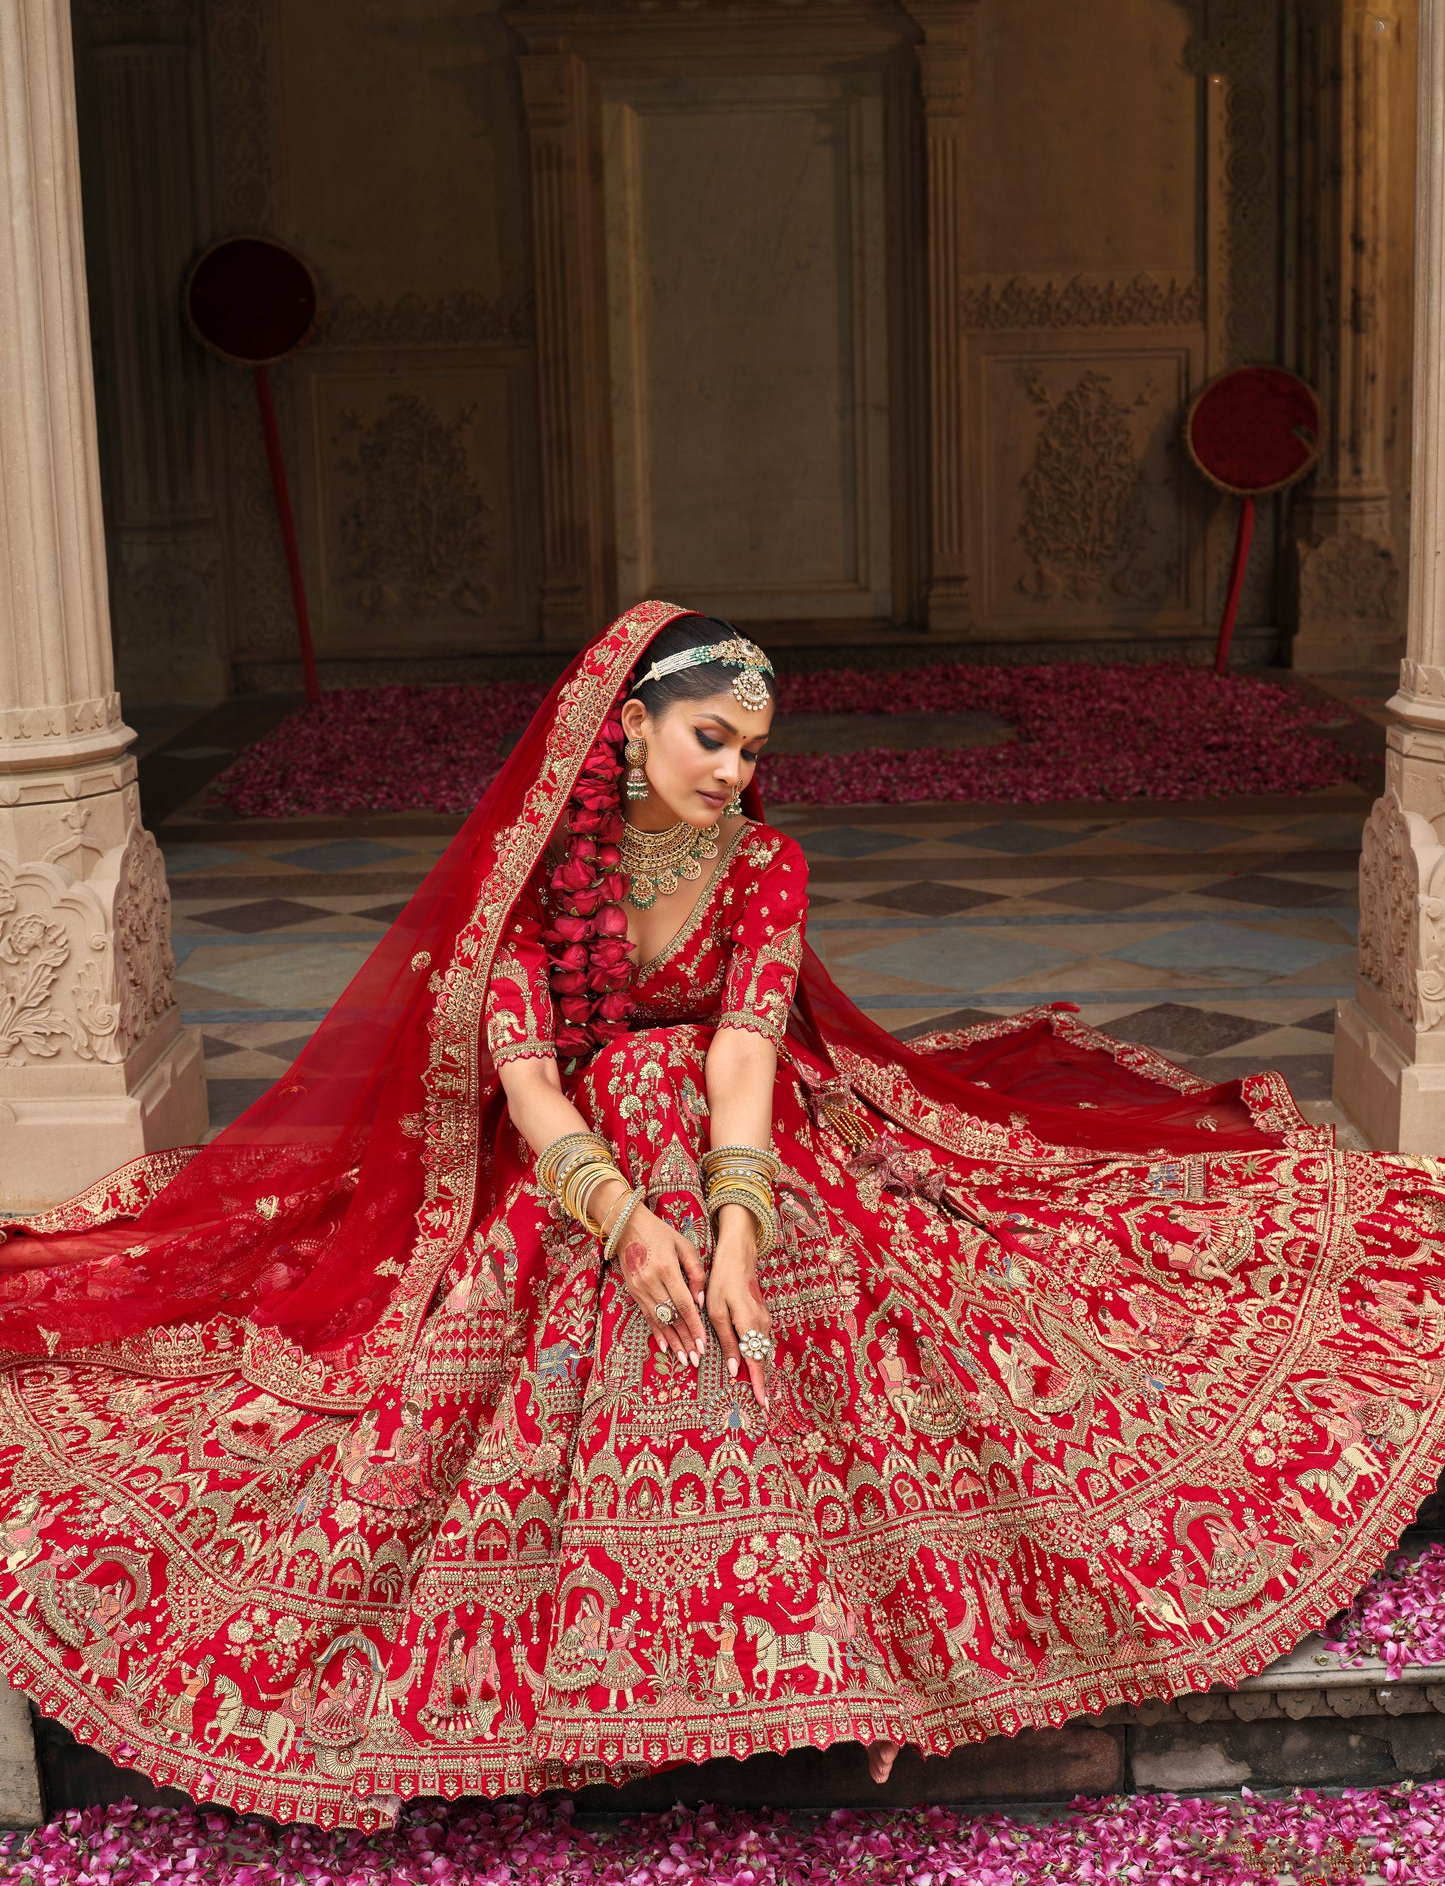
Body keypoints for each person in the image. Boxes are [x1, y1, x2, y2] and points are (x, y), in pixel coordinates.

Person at [0, 596, 1442, 1830]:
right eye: (710, 739)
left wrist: (736, 1225)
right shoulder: (531, 877)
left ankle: (852, 1610)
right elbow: (524, 1078)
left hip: (746, 1132)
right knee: (566, 1203)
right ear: (627, 727)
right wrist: (625, 1221)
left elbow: (747, 1045)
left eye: (752, 749)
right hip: (570, 1158)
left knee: (836, 1260)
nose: (734, 772)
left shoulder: (761, 861)